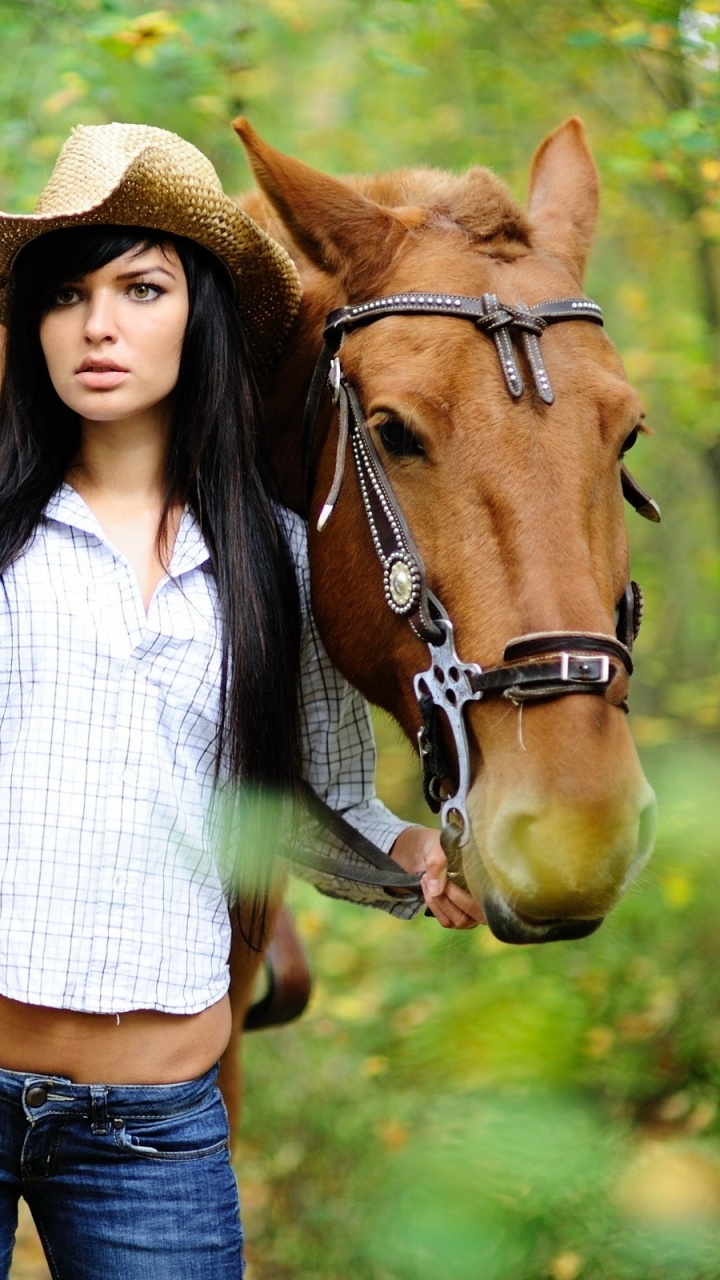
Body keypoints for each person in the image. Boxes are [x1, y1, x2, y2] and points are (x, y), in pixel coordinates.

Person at [0, 122, 483, 1279]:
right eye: (67, 294)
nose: (99, 324)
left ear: (201, 314)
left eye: (141, 286)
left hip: (154, 1129)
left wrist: (414, 856)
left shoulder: (275, 558)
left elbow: (313, 796)